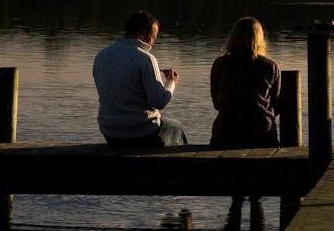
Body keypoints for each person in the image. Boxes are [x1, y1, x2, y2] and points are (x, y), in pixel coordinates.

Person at [93, 10, 187, 148]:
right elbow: (159, 101)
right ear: (143, 33)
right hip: (141, 133)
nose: (153, 43)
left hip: (110, 133)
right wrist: (171, 82)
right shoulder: (146, 59)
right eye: (153, 37)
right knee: (177, 127)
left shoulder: (101, 56)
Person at [209, 16, 283, 148]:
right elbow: (276, 105)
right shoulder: (270, 66)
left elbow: (216, 102)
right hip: (262, 134)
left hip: (225, 133)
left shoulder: (220, 64)